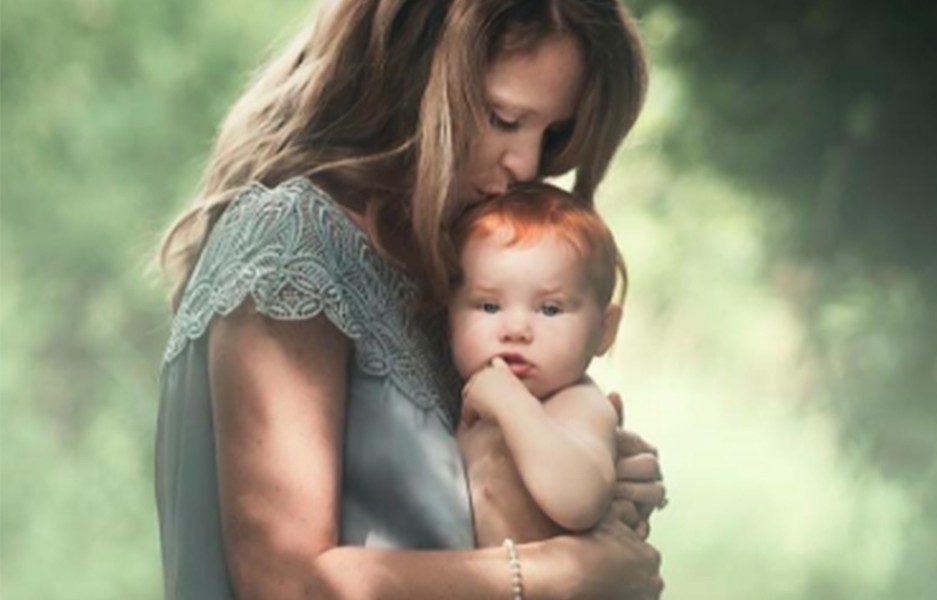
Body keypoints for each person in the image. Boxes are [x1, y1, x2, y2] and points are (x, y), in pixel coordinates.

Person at [153, 1, 666, 598]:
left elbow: (451, 509)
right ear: (412, 75)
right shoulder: (293, 240)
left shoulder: (449, 276)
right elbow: (285, 582)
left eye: (551, 134)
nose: (527, 164)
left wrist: (587, 465)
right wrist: (562, 571)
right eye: (503, 118)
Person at [449, 183, 630, 548]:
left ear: (604, 330)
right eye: (489, 306)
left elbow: (579, 500)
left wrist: (511, 403)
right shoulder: (456, 390)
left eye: (549, 309)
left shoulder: (578, 404)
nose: (516, 330)